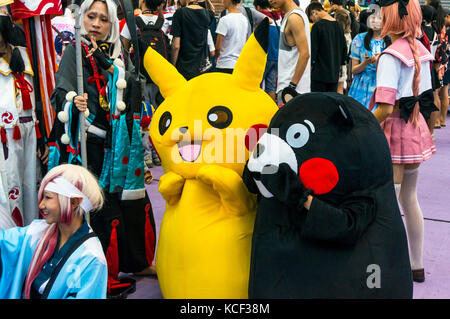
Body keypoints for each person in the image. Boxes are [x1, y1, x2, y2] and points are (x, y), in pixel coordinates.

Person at [48, 0, 157, 294]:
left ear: (111, 23)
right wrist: (73, 101)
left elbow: (133, 83)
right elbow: (60, 90)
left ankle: (136, 261)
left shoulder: (118, 50)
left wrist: (116, 72)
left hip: (120, 144)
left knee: (132, 201)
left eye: (103, 19)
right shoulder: (74, 51)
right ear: (82, 18)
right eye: (91, 17)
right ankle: (100, 272)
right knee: (99, 206)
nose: (96, 23)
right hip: (91, 144)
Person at [371, 0, 437, 283]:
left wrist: (364, 129)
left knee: (386, 203)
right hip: (415, 126)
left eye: (379, 13)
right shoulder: (422, 49)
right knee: (409, 198)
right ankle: (416, 264)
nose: (375, 17)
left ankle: (384, 265)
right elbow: (429, 96)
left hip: (395, 129)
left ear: (390, 18)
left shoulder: (389, 55)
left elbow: (385, 107)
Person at [0, 164, 107, 299]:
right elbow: (4, 242)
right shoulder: (37, 232)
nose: (41, 205)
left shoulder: (91, 258)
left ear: (73, 202)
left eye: (48, 197)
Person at [0, 13, 42, 228]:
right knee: (10, 183)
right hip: (5, 134)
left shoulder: (25, 54)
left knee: (30, 183)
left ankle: (33, 234)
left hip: (29, 129)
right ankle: (12, 235)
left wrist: (41, 132)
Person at [348, 4, 391, 108]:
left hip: (383, 86)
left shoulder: (391, 41)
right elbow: (353, 70)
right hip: (361, 87)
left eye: (379, 18)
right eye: (372, 18)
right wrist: (365, 63)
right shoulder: (359, 39)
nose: (375, 21)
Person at [270, 0, 311, 104]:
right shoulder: (290, 15)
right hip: (290, 88)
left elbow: (305, 54)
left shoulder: (294, 18)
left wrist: (292, 86)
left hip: (292, 90)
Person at [306, 1, 347, 92]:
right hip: (334, 74)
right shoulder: (338, 26)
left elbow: (313, 51)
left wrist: (310, 69)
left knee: (318, 103)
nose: (313, 21)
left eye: (312, 19)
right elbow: (344, 49)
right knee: (330, 103)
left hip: (319, 75)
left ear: (314, 12)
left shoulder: (317, 27)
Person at [170, 0, 215, 80]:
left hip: (184, 68)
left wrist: (172, 66)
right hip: (201, 68)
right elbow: (212, 10)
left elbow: (176, 46)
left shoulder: (180, 13)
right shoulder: (208, 14)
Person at [254, 0, 281, 101]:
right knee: (271, 87)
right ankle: (271, 111)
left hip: (264, 57)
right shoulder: (277, 17)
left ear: (258, 7)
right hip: (276, 57)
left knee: (257, 85)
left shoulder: (260, 17)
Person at [215, 0, 249, 74]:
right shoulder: (244, 19)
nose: (222, 2)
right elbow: (245, 41)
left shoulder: (224, 20)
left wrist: (216, 58)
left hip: (224, 64)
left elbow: (218, 47)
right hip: (239, 64)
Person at [335, 8, 351, 94]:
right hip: (344, 66)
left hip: (335, 65)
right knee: (340, 89)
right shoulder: (348, 34)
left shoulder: (337, 35)